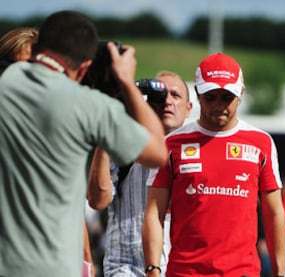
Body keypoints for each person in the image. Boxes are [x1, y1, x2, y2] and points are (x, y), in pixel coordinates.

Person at [0, 10, 167, 277]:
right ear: (86, 67)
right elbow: (157, 152)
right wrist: (125, 82)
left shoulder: (7, 84)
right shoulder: (89, 106)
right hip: (54, 267)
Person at [143, 52, 285, 276]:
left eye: (226, 97)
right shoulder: (172, 143)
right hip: (185, 272)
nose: (219, 105)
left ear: (241, 93)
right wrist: (152, 269)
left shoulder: (262, 142)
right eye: (211, 97)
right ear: (198, 95)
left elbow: (274, 212)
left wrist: (280, 273)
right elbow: (154, 211)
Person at [91, 70, 192, 276]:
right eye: (161, 95)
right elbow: (98, 200)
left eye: (176, 95)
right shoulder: (121, 142)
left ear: (189, 108)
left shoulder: (200, 150)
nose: (168, 101)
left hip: (180, 269)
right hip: (126, 268)